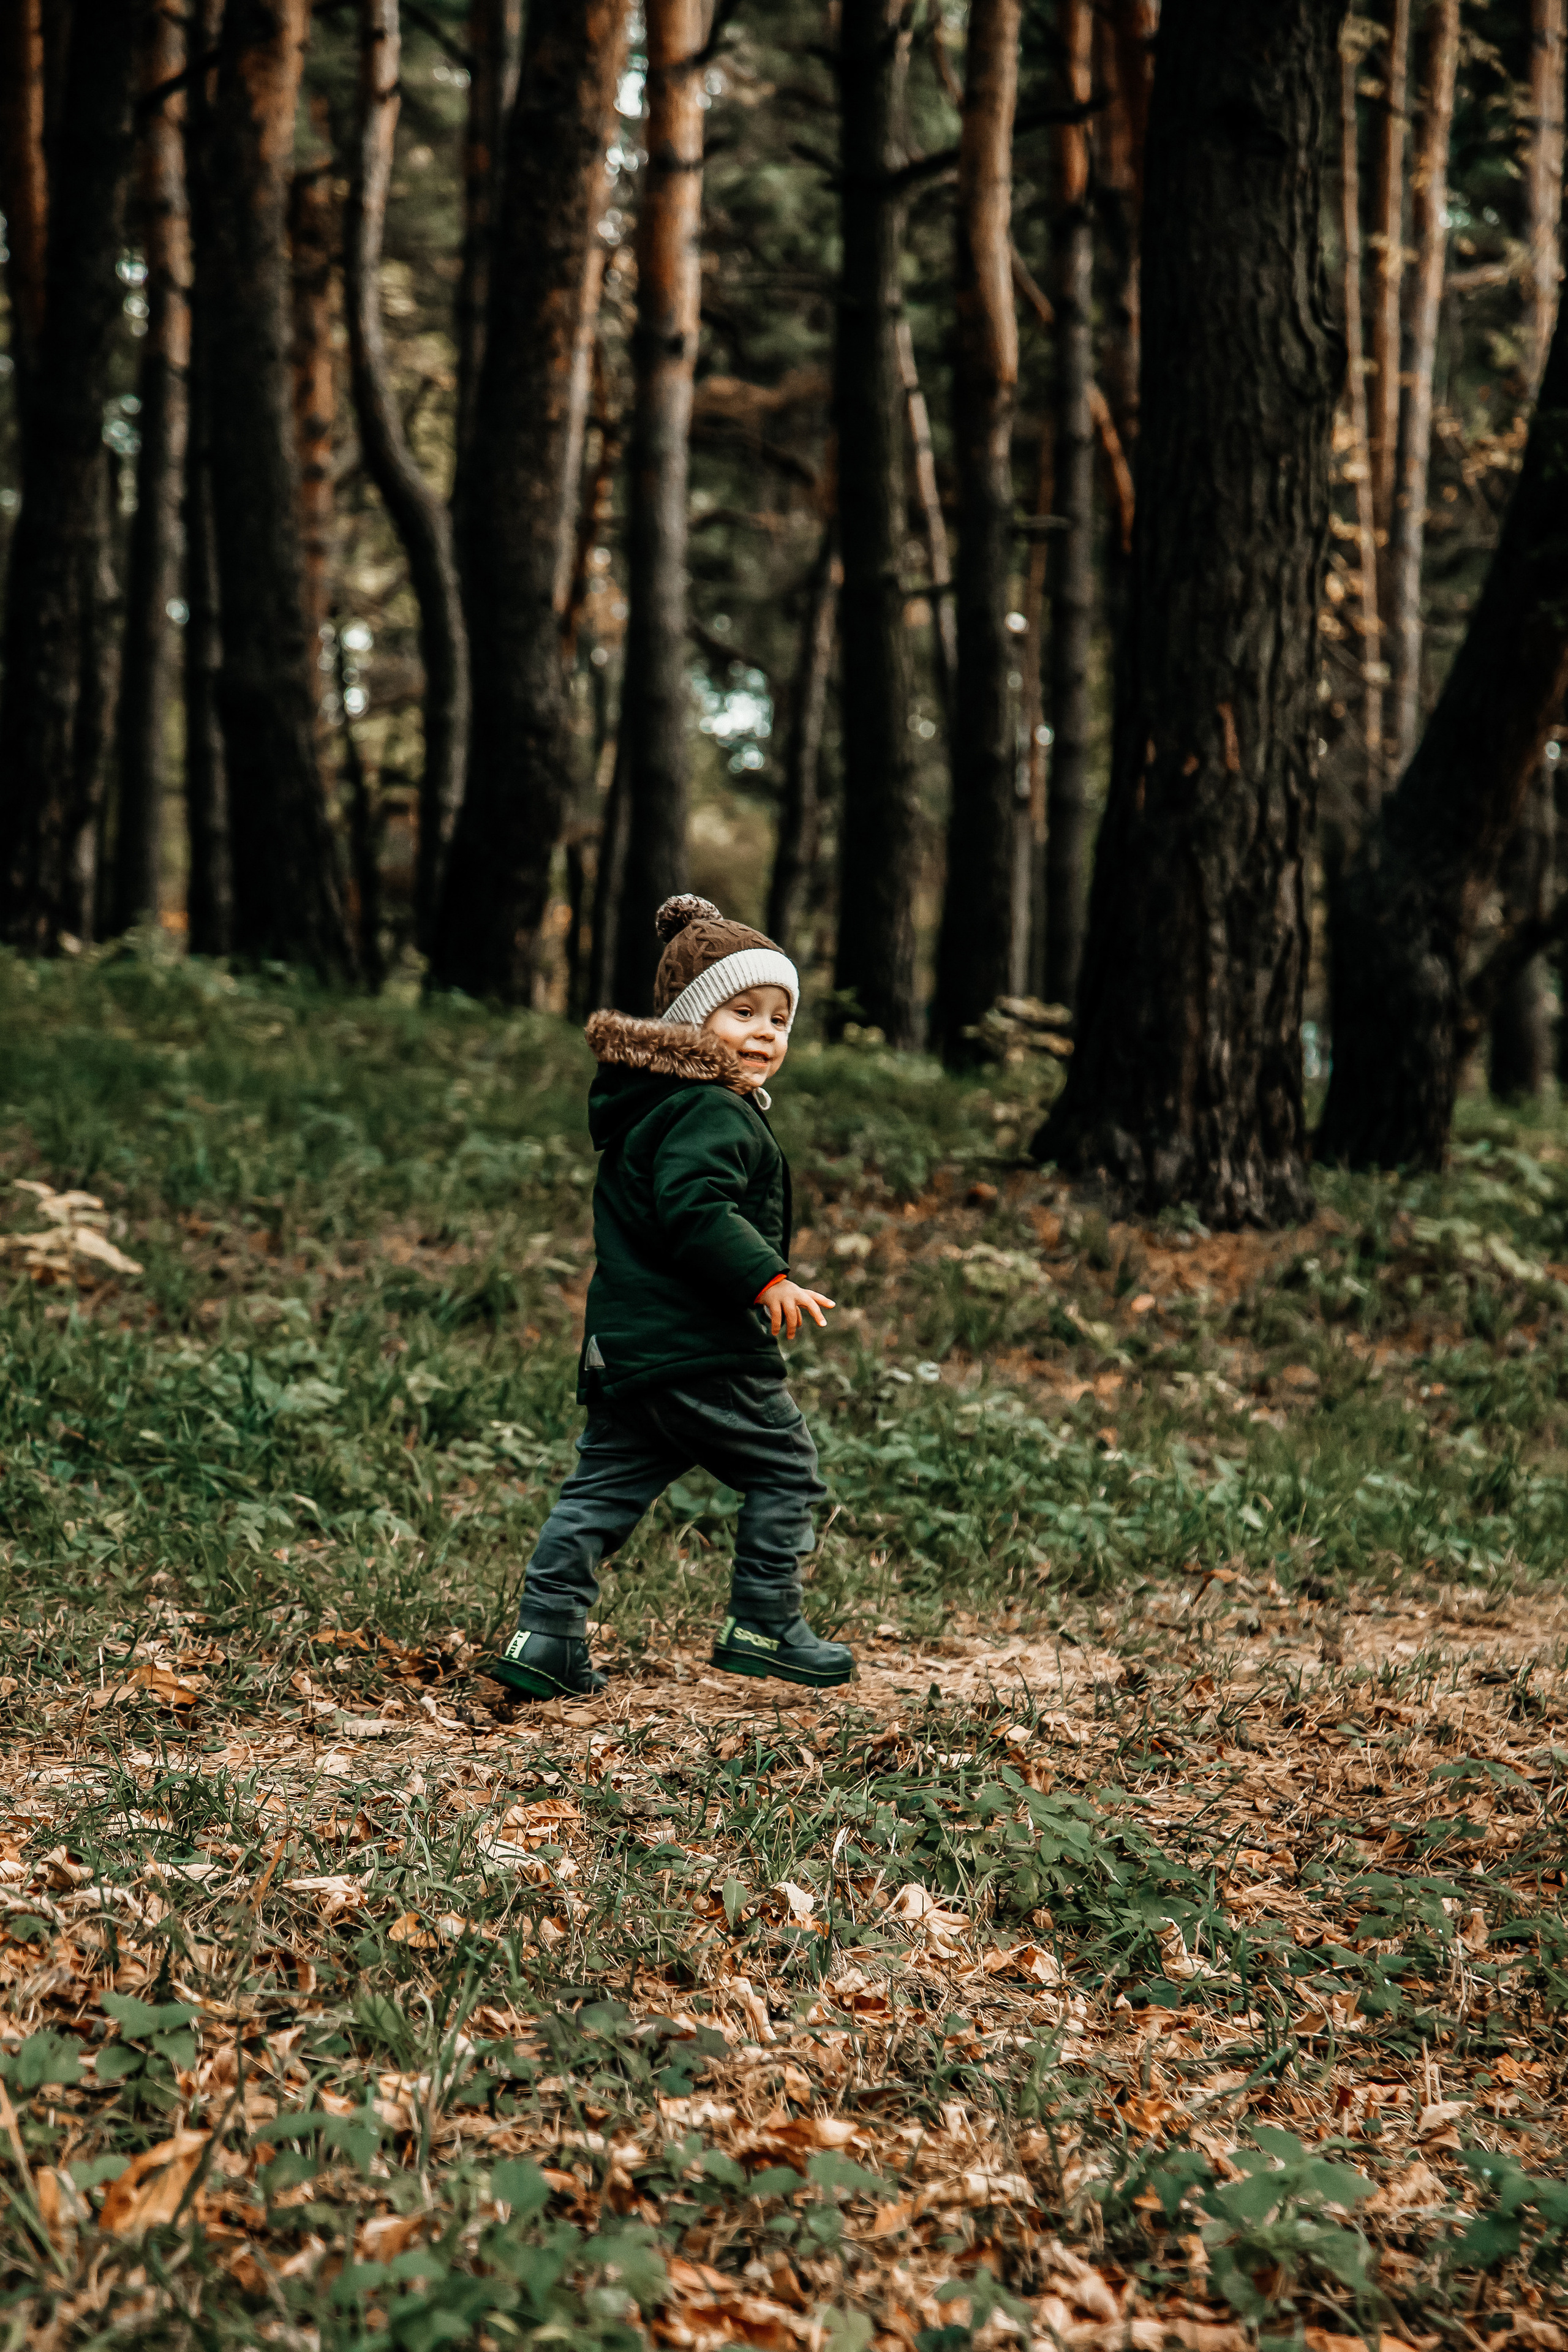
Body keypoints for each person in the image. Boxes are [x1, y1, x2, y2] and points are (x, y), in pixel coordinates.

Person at [488, 895, 854, 1701]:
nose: (766, 1032)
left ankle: (545, 1634)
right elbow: (695, 1211)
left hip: (627, 1349)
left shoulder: (648, 1108)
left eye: (780, 1018)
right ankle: (765, 1620)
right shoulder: (709, 1111)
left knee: (603, 1489)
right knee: (785, 1465)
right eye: (742, 1011)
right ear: (692, 1025)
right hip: (700, 1346)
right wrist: (767, 1278)